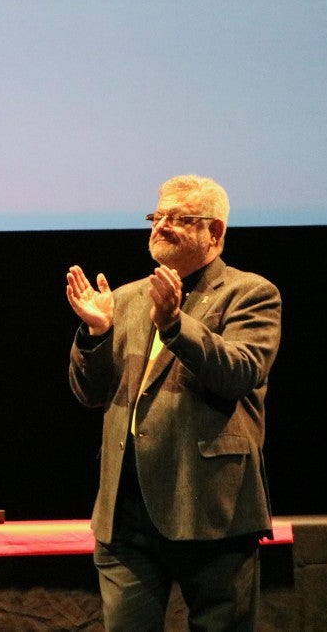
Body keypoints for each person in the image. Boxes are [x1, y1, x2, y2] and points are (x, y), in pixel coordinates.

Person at [65, 175, 282, 630]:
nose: (162, 225)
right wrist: (96, 334)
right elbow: (89, 394)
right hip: (127, 516)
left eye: (179, 218)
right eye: (157, 215)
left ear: (215, 233)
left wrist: (175, 324)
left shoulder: (250, 294)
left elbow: (239, 372)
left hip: (210, 511)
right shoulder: (124, 299)